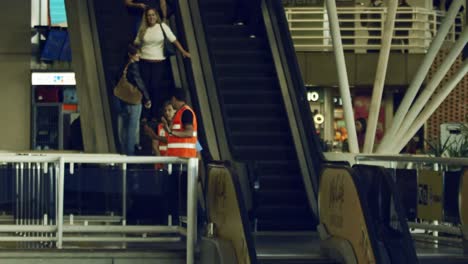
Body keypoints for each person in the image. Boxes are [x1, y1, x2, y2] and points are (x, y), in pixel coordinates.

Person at [134, 8, 190, 120]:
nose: (151, 17)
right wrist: (136, 54)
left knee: (155, 88)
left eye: (153, 15)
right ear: (146, 17)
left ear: (156, 16)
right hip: (144, 62)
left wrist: (183, 51)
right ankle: (145, 115)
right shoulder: (142, 29)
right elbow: (136, 43)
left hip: (158, 63)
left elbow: (174, 40)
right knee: (145, 89)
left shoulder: (162, 27)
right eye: (149, 15)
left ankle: (154, 115)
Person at [116, 44, 152, 156]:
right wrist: (146, 98)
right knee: (132, 129)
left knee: (123, 129)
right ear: (130, 55)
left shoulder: (122, 64)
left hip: (122, 100)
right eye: (137, 53)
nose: (139, 56)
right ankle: (130, 155)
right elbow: (138, 81)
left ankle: (123, 153)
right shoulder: (133, 66)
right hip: (133, 101)